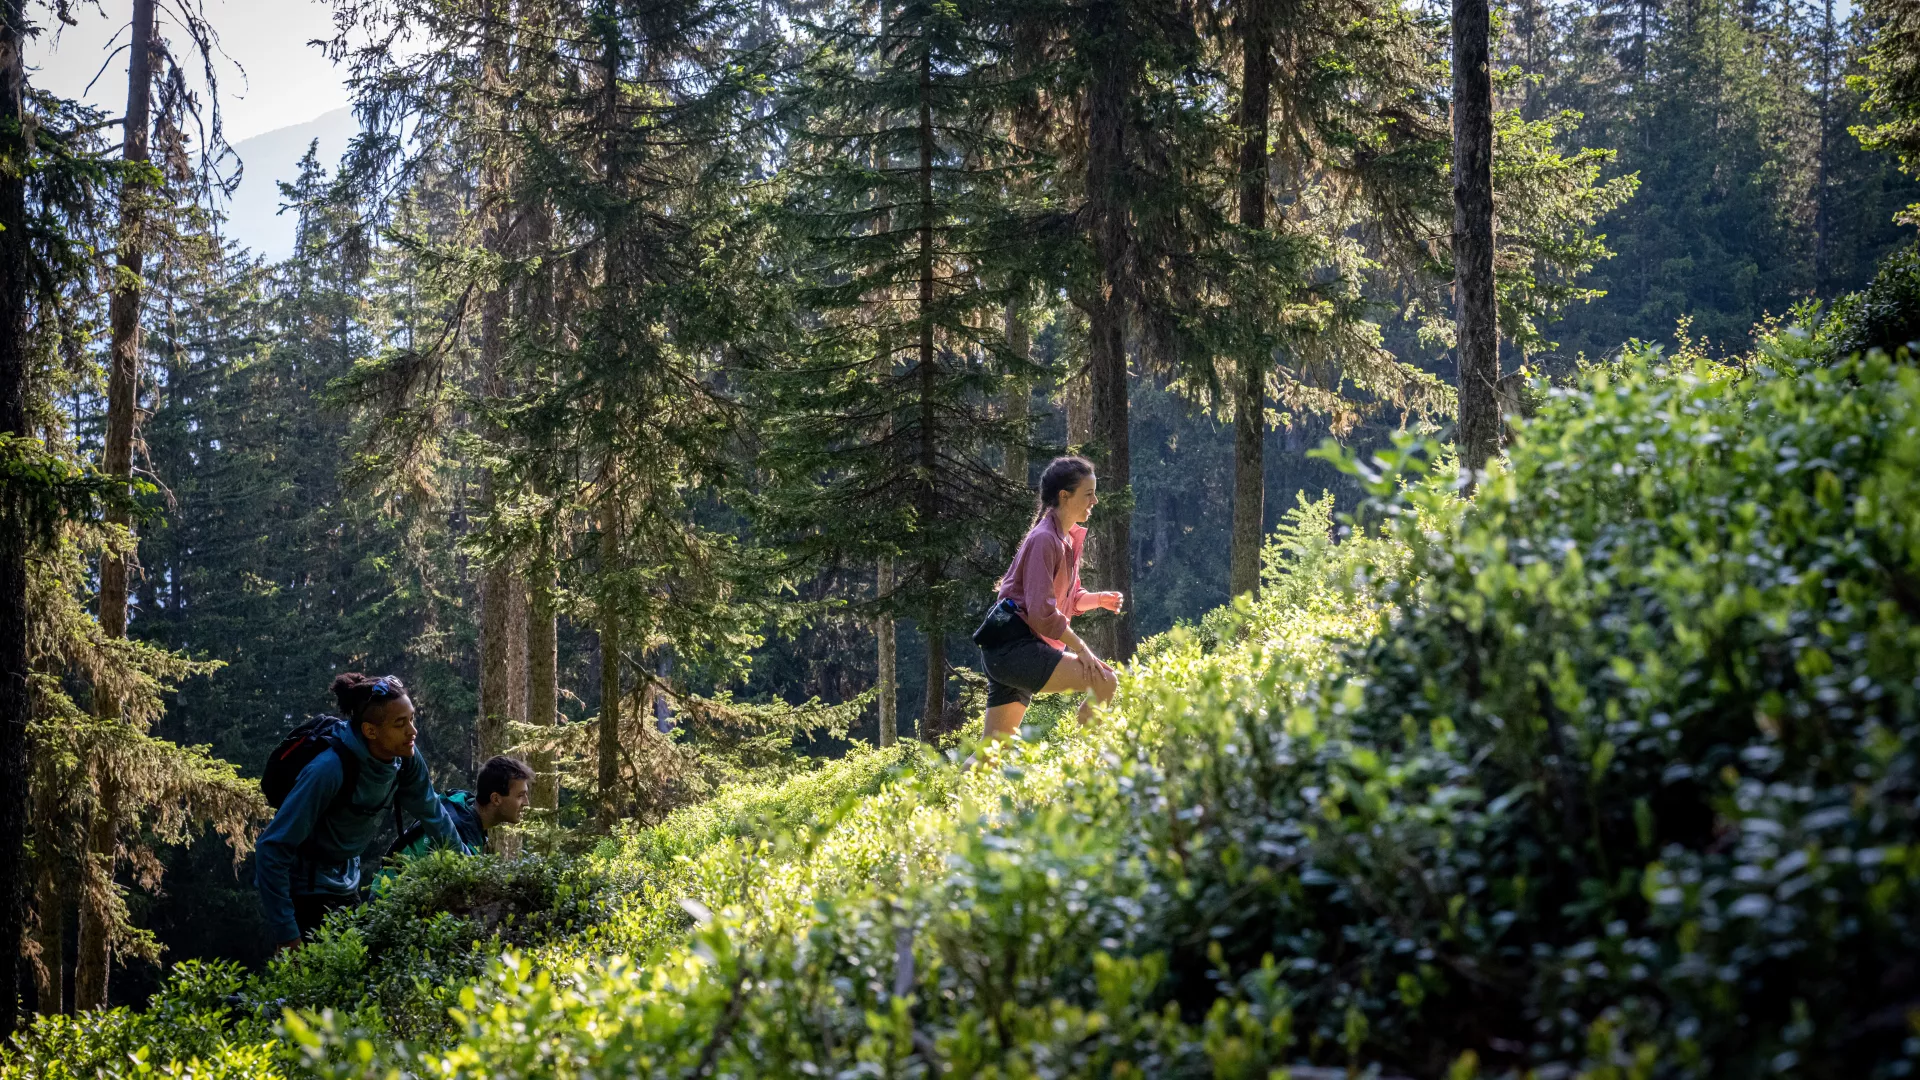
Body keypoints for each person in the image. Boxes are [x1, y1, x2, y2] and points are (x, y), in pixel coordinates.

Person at [255, 674, 467, 951]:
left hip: (344, 881)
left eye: (412, 718)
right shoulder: (329, 769)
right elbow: (271, 847)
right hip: (303, 890)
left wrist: (468, 871)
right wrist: (288, 936)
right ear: (370, 731)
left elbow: (433, 813)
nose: (413, 731)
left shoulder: (405, 759)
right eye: (400, 723)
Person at [980, 456, 1124, 741]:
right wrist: (1082, 648)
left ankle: (958, 788)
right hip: (1013, 649)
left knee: (992, 752)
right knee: (1105, 681)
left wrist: (1098, 599)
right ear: (1064, 496)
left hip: (1006, 653)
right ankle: (1086, 766)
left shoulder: (1066, 539)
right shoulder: (1045, 539)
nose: (1095, 500)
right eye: (1088, 494)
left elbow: (1071, 598)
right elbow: (1041, 614)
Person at [389, 755, 532, 862]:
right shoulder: (460, 829)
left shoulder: (465, 808)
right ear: (495, 799)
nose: (526, 803)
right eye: (520, 795)